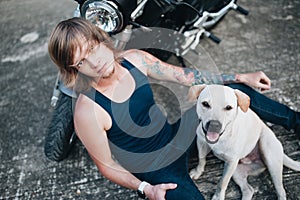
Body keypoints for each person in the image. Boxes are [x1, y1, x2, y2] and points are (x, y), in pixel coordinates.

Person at [48, 17, 300, 200]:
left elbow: (186, 77)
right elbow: (107, 166)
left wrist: (241, 76)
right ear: (74, 69)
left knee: (234, 91)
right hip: (156, 170)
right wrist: (146, 189)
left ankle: (296, 121)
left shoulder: (134, 59)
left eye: (92, 48)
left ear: (101, 40)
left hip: (176, 135)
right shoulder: (87, 110)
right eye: (81, 61)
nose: (95, 62)